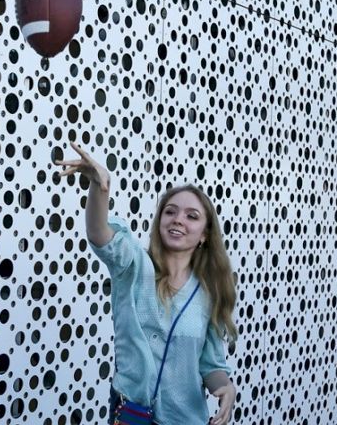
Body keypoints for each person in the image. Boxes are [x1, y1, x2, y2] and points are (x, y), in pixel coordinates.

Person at [56, 142, 237, 425]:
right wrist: (99, 187)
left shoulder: (208, 294)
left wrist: (225, 387)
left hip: (185, 419)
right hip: (132, 415)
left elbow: (210, 363)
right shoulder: (134, 265)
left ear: (204, 234)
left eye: (191, 216)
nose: (178, 220)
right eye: (170, 212)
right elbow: (99, 234)